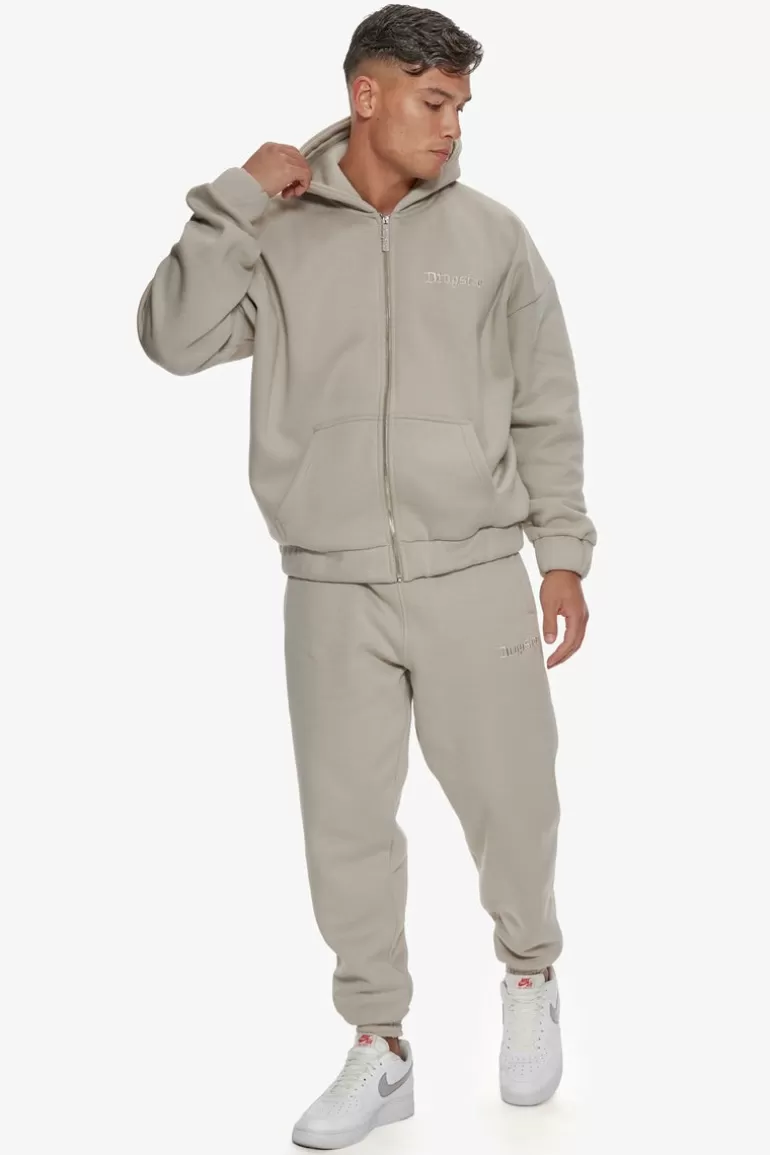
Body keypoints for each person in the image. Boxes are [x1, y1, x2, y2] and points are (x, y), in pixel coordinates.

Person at [136, 3, 597, 1148]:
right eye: (434, 102)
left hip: (472, 567)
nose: (452, 127)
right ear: (367, 95)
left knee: (513, 802)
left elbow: (545, 401)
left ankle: (528, 974)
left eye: (460, 106)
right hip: (328, 583)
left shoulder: (492, 236)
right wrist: (233, 200)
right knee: (343, 827)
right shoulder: (276, 229)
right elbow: (172, 340)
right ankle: (378, 1047)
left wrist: (562, 552)